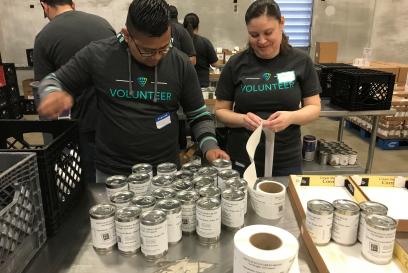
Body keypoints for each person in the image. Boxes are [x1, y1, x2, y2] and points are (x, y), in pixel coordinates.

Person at [37, 0, 229, 183]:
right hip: (113, 173)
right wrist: (51, 93)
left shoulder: (180, 63)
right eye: (147, 50)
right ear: (126, 35)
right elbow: (54, 80)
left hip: (164, 172)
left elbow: (198, 115)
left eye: (164, 48)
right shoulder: (99, 55)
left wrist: (209, 146)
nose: (156, 57)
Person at [215, 0, 321, 177]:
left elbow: (314, 108)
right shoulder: (236, 64)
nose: (262, 41)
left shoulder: (300, 61)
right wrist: (242, 120)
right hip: (244, 155)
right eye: (254, 35)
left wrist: (291, 117)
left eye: (268, 32)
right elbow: (220, 111)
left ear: (282, 23)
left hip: (286, 158)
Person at [33, 0, 116, 183]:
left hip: (79, 126)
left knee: (87, 185)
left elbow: (48, 91)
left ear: (44, 6)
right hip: (114, 122)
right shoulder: (102, 24)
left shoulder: (45, 37)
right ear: (73, 3)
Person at [183, 13, 218, 88]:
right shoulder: (205, 42)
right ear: (198, 26)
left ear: (184, 25)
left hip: (184, 84)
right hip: (202, 83)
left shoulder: (179, 42)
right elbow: (214, 63)